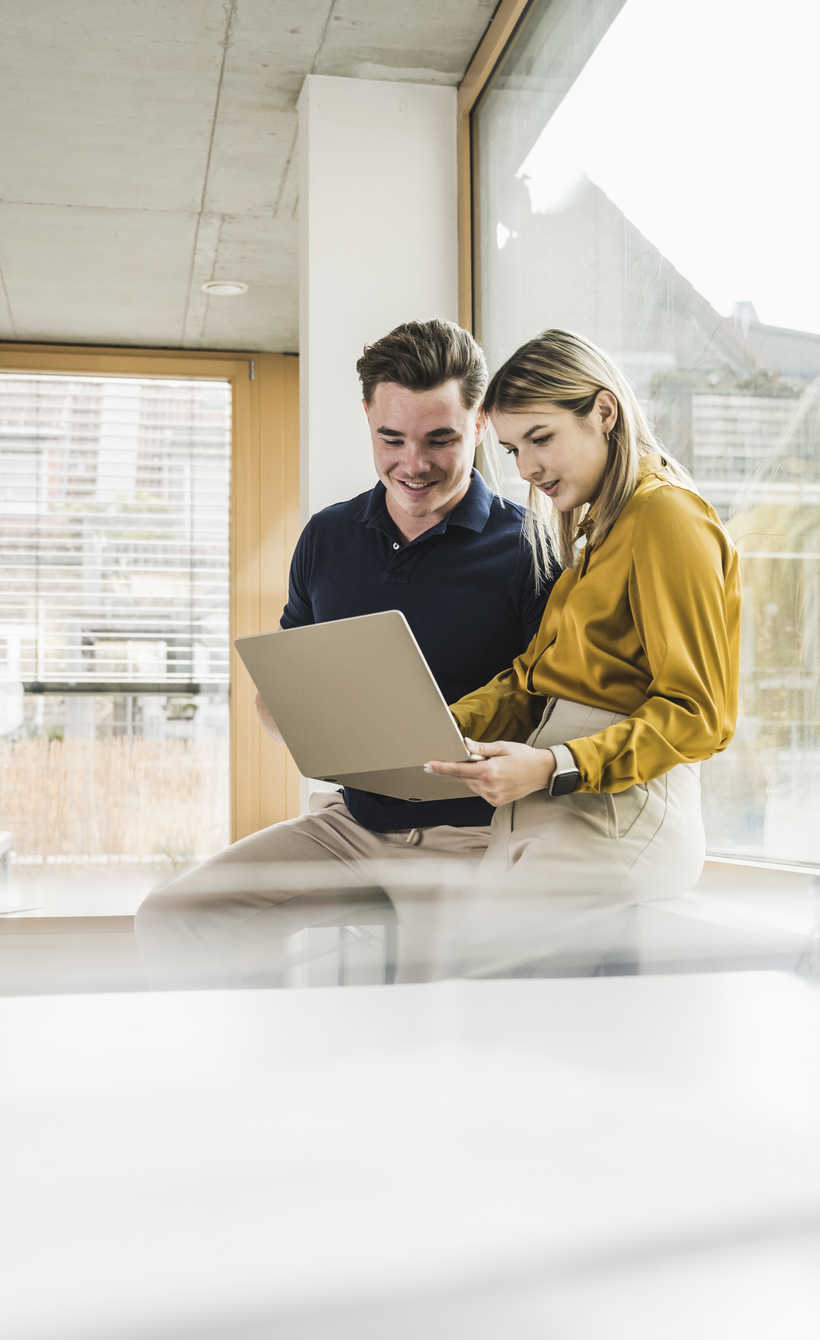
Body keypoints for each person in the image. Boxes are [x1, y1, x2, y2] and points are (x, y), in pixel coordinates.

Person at [136, 319, 548, 987]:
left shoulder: (529, 548)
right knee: (171, 919)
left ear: (478, 424)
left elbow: (553, 713)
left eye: (439, 439)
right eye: (392, 438)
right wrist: (289, 713)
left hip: (468, 840)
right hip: (348, 823)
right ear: (366, 417)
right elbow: (288, 681)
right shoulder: (326, 536)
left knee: (440, 1017)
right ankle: (260, 1080)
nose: (412, 464)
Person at [420, 328, 741, 973]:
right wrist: (435, 725)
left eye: (541, 438)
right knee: (452, 986)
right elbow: (533, 680)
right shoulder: (599, 529)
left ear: (603, 411)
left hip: (617, 814)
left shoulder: (667, 518)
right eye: (513, 449)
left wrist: (551, 765)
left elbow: (700, 713)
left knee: (457, 989)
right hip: (556, 806)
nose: (528, 470)